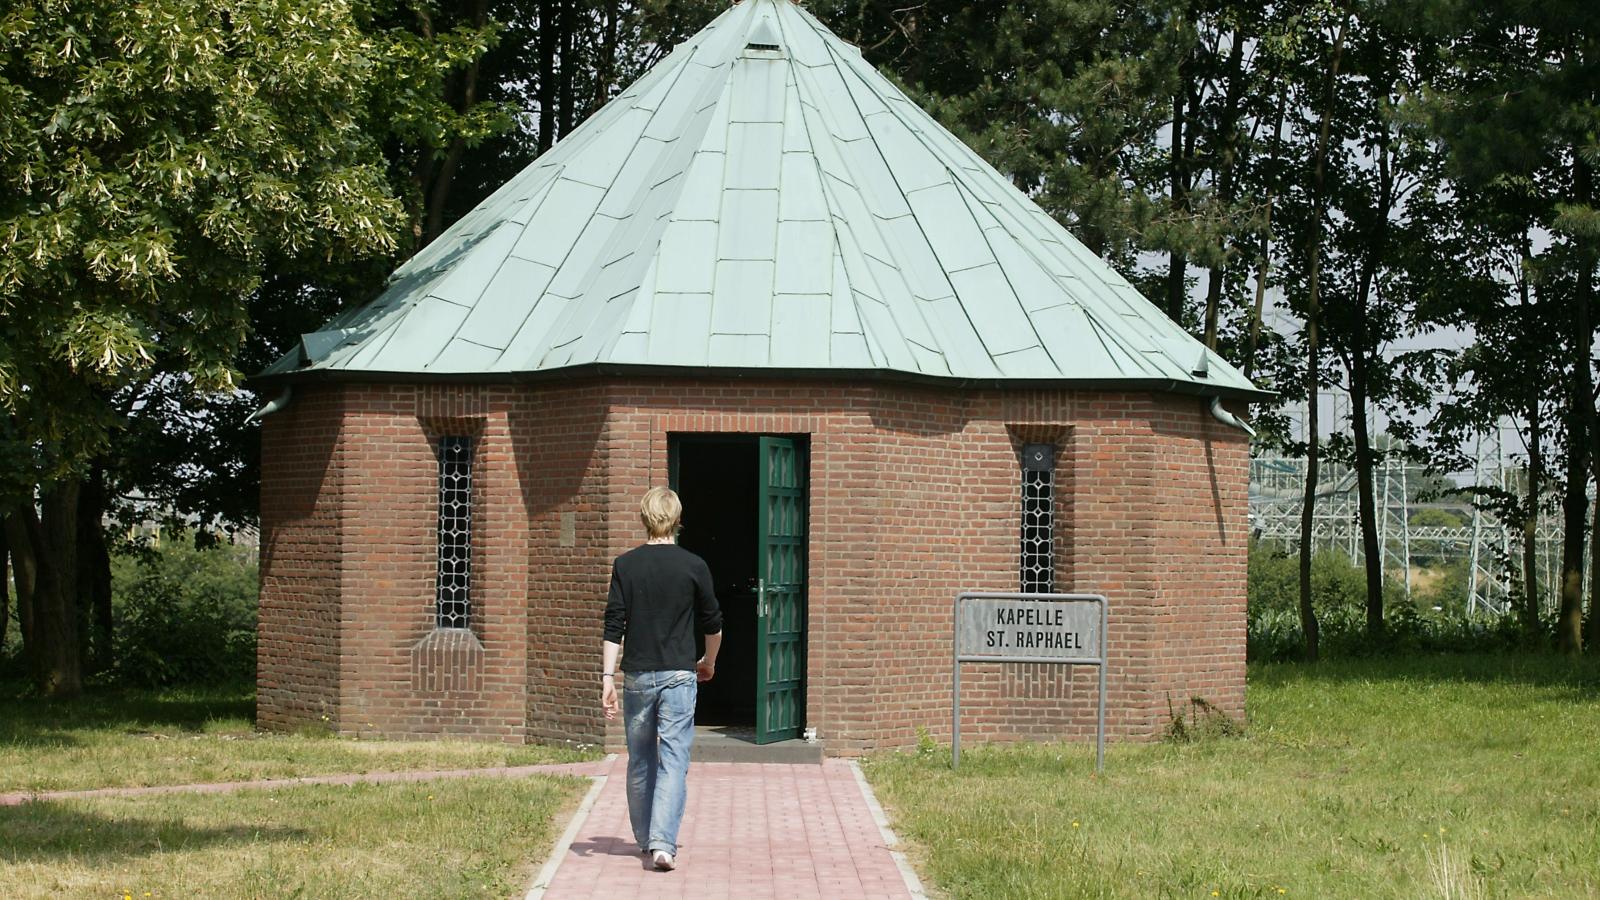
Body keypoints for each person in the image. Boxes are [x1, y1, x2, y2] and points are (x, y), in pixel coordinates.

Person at [601, 486, 722, 872]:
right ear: (677, 519)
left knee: (640, 760)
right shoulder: (693, 565)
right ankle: (663, 845)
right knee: (673, 759)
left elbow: (613, 625)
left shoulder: (626, 564)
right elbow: (714, 624)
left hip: (637, 674)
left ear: (644, 518)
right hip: (678, 675)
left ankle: (644, 838)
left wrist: (606, 677)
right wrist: (709, 662)